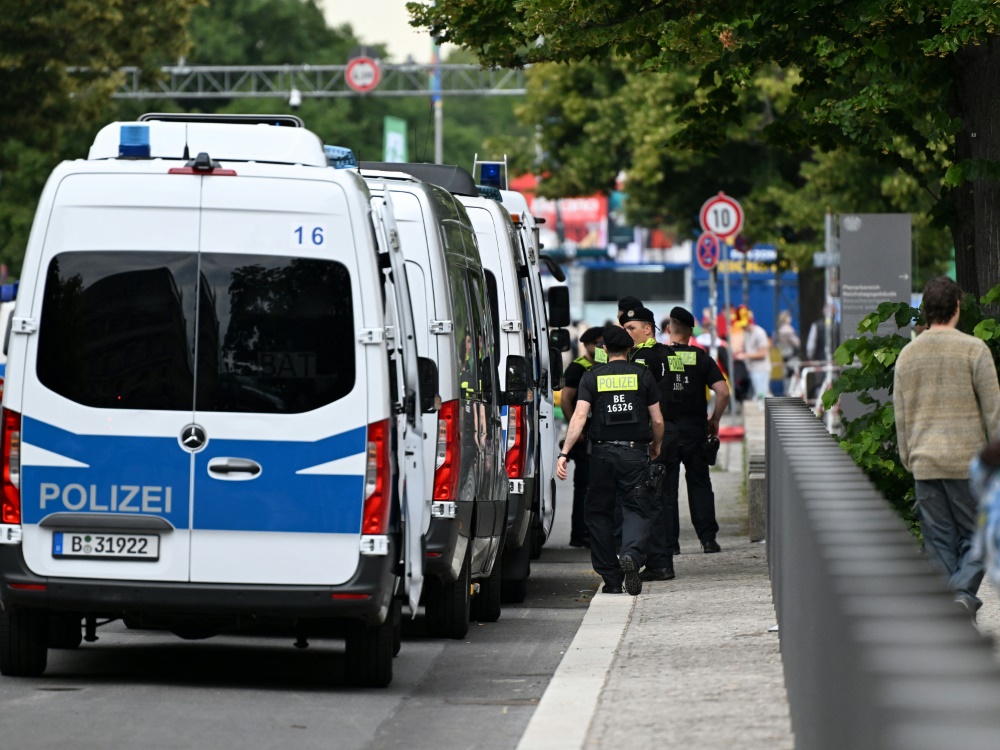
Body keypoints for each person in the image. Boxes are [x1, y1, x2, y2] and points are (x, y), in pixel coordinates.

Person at [894, 276, 1000, 622]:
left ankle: (949, 608)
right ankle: (961, 595)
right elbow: (993, 411)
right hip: (967, 462)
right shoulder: (974, 349)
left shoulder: (908, 355)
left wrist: (909, 455)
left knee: (938, 541)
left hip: (925, 460)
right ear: (957, 308)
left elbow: (901, 413)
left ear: (925, 311)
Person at [556, 325, 664, 596]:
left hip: (601, 455)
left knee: (597, 513)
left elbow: (579, 417)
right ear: (630, 350)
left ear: (604, 350)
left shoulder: (592, 376)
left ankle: (612, 578)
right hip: (634, 452)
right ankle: (631, 555)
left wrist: (565, 453)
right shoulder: (643, 375)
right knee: (637, 508)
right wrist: (656, 445)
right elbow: (658, 419)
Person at [650, 306, 730, 563]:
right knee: (700, 483)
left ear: (670, 329)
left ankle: (671, 544)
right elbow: (723, 392)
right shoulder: (702, 358)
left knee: (667, 487)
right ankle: (708, 540)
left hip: (668, 430)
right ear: (690, 332)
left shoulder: (659, 357)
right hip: (695, 429)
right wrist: (714, 420)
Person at [561, 326, 604, 548]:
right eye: (596, 343)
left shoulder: (606, 366)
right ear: (586, 345)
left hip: (602, 434)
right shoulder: (578, 368)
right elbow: (566, 399)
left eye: (602, 343)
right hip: (584, 435)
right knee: (584, 487)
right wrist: (575, 430)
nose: (600, 347)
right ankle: (579, 534)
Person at [736, 311, 771, 407]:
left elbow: (763, 353)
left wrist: (745, 355)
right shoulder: (747, 333)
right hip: (752, 369)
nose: (742, 327)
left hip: (761, 370)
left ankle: (765, 418)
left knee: (762, 397)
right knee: (757, 397)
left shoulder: (759, 333)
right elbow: (747, 348)